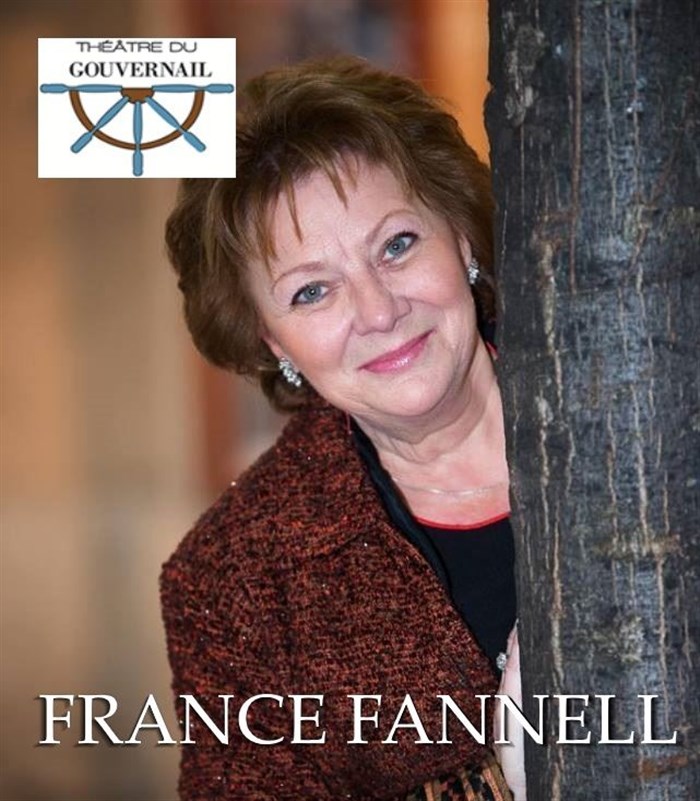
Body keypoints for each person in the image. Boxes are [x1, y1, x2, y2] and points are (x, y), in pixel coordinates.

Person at [161, 55, 525, 801]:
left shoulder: (648, 414)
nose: (378, 311)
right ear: (271, 339)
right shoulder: (236, 576)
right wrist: (500, 782)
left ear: (460, 237)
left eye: (397, 245)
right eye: (312, 291)